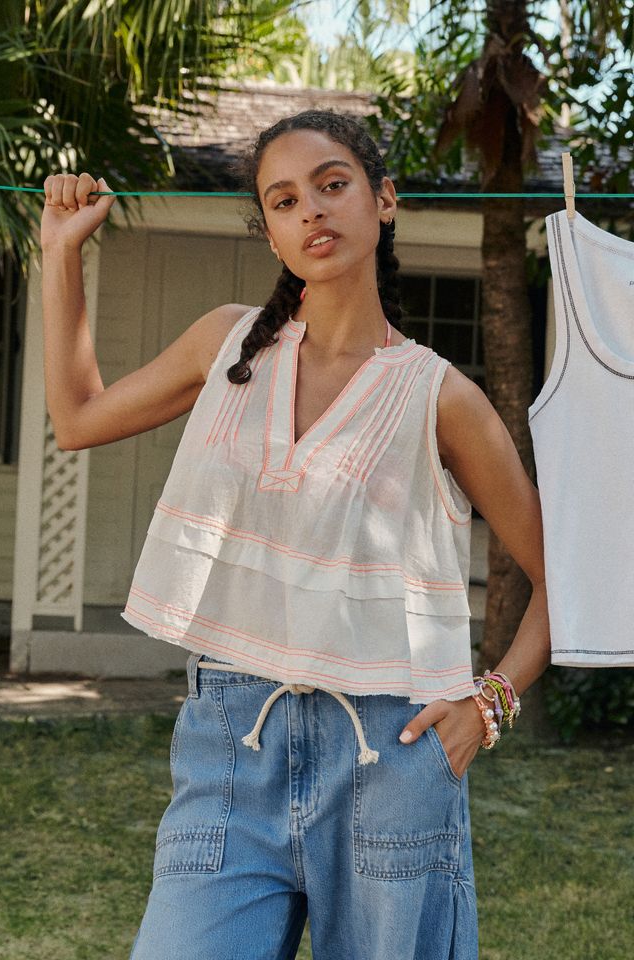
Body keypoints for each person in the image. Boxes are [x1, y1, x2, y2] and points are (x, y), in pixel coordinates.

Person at [41, 110, 551, 960]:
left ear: (384, 200)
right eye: (283, 201)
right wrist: (61, 252)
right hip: (233, 742)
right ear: (270, 232)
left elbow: (566, 574)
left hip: (394, 750)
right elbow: (77, 418)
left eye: (332, 184)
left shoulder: (441, 396)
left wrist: (490, 702)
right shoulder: (226, 343)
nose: (310, 209)